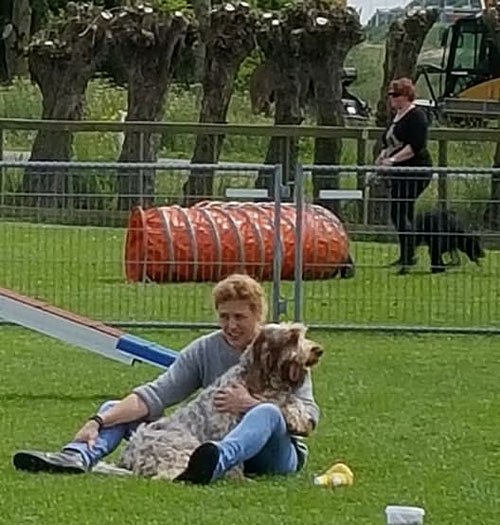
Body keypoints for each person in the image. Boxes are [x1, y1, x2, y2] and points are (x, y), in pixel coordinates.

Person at [13, 274, 320, 485]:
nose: (231, 326)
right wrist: (97, 420)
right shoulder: (206, 348)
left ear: (258, 316)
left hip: (273, 455)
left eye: (239, 317)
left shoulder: (285, 353)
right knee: (115, 408)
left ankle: (217, 462)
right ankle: (76, 456)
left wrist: (249, 404)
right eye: (224, 317)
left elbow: (309, 417)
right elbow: (156, 393)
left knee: (265, 412)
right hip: (203, 443)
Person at [375, 77, 433, 274]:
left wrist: (393, 160)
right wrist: (383, 155)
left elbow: (415, 146)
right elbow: (390, 142)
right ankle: (406, 254)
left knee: (400, 211)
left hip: (415, 170)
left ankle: (409, 256)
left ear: (407, 96)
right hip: (399, 171)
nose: (392, 98)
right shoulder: (397, 116)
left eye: (396, 95)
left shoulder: (417, 116)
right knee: (400, 212)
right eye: (391, 95)